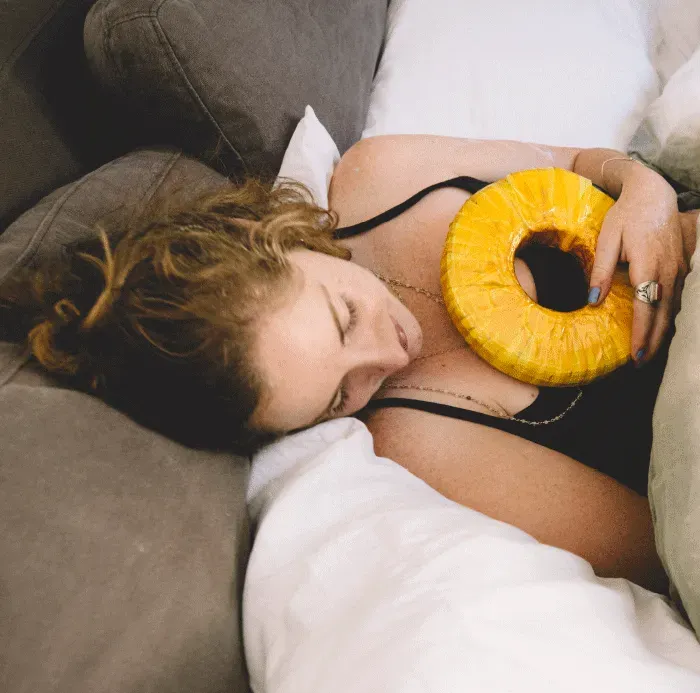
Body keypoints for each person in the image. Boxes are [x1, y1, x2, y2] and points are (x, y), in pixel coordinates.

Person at [1, 135, 697, 594]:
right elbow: (664, 547)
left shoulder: (382, 177)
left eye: (344, 315)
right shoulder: (423, 441)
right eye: (341, 396)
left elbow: (584, 166)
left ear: (261, 234)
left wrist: (645, 192)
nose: (390, 354)